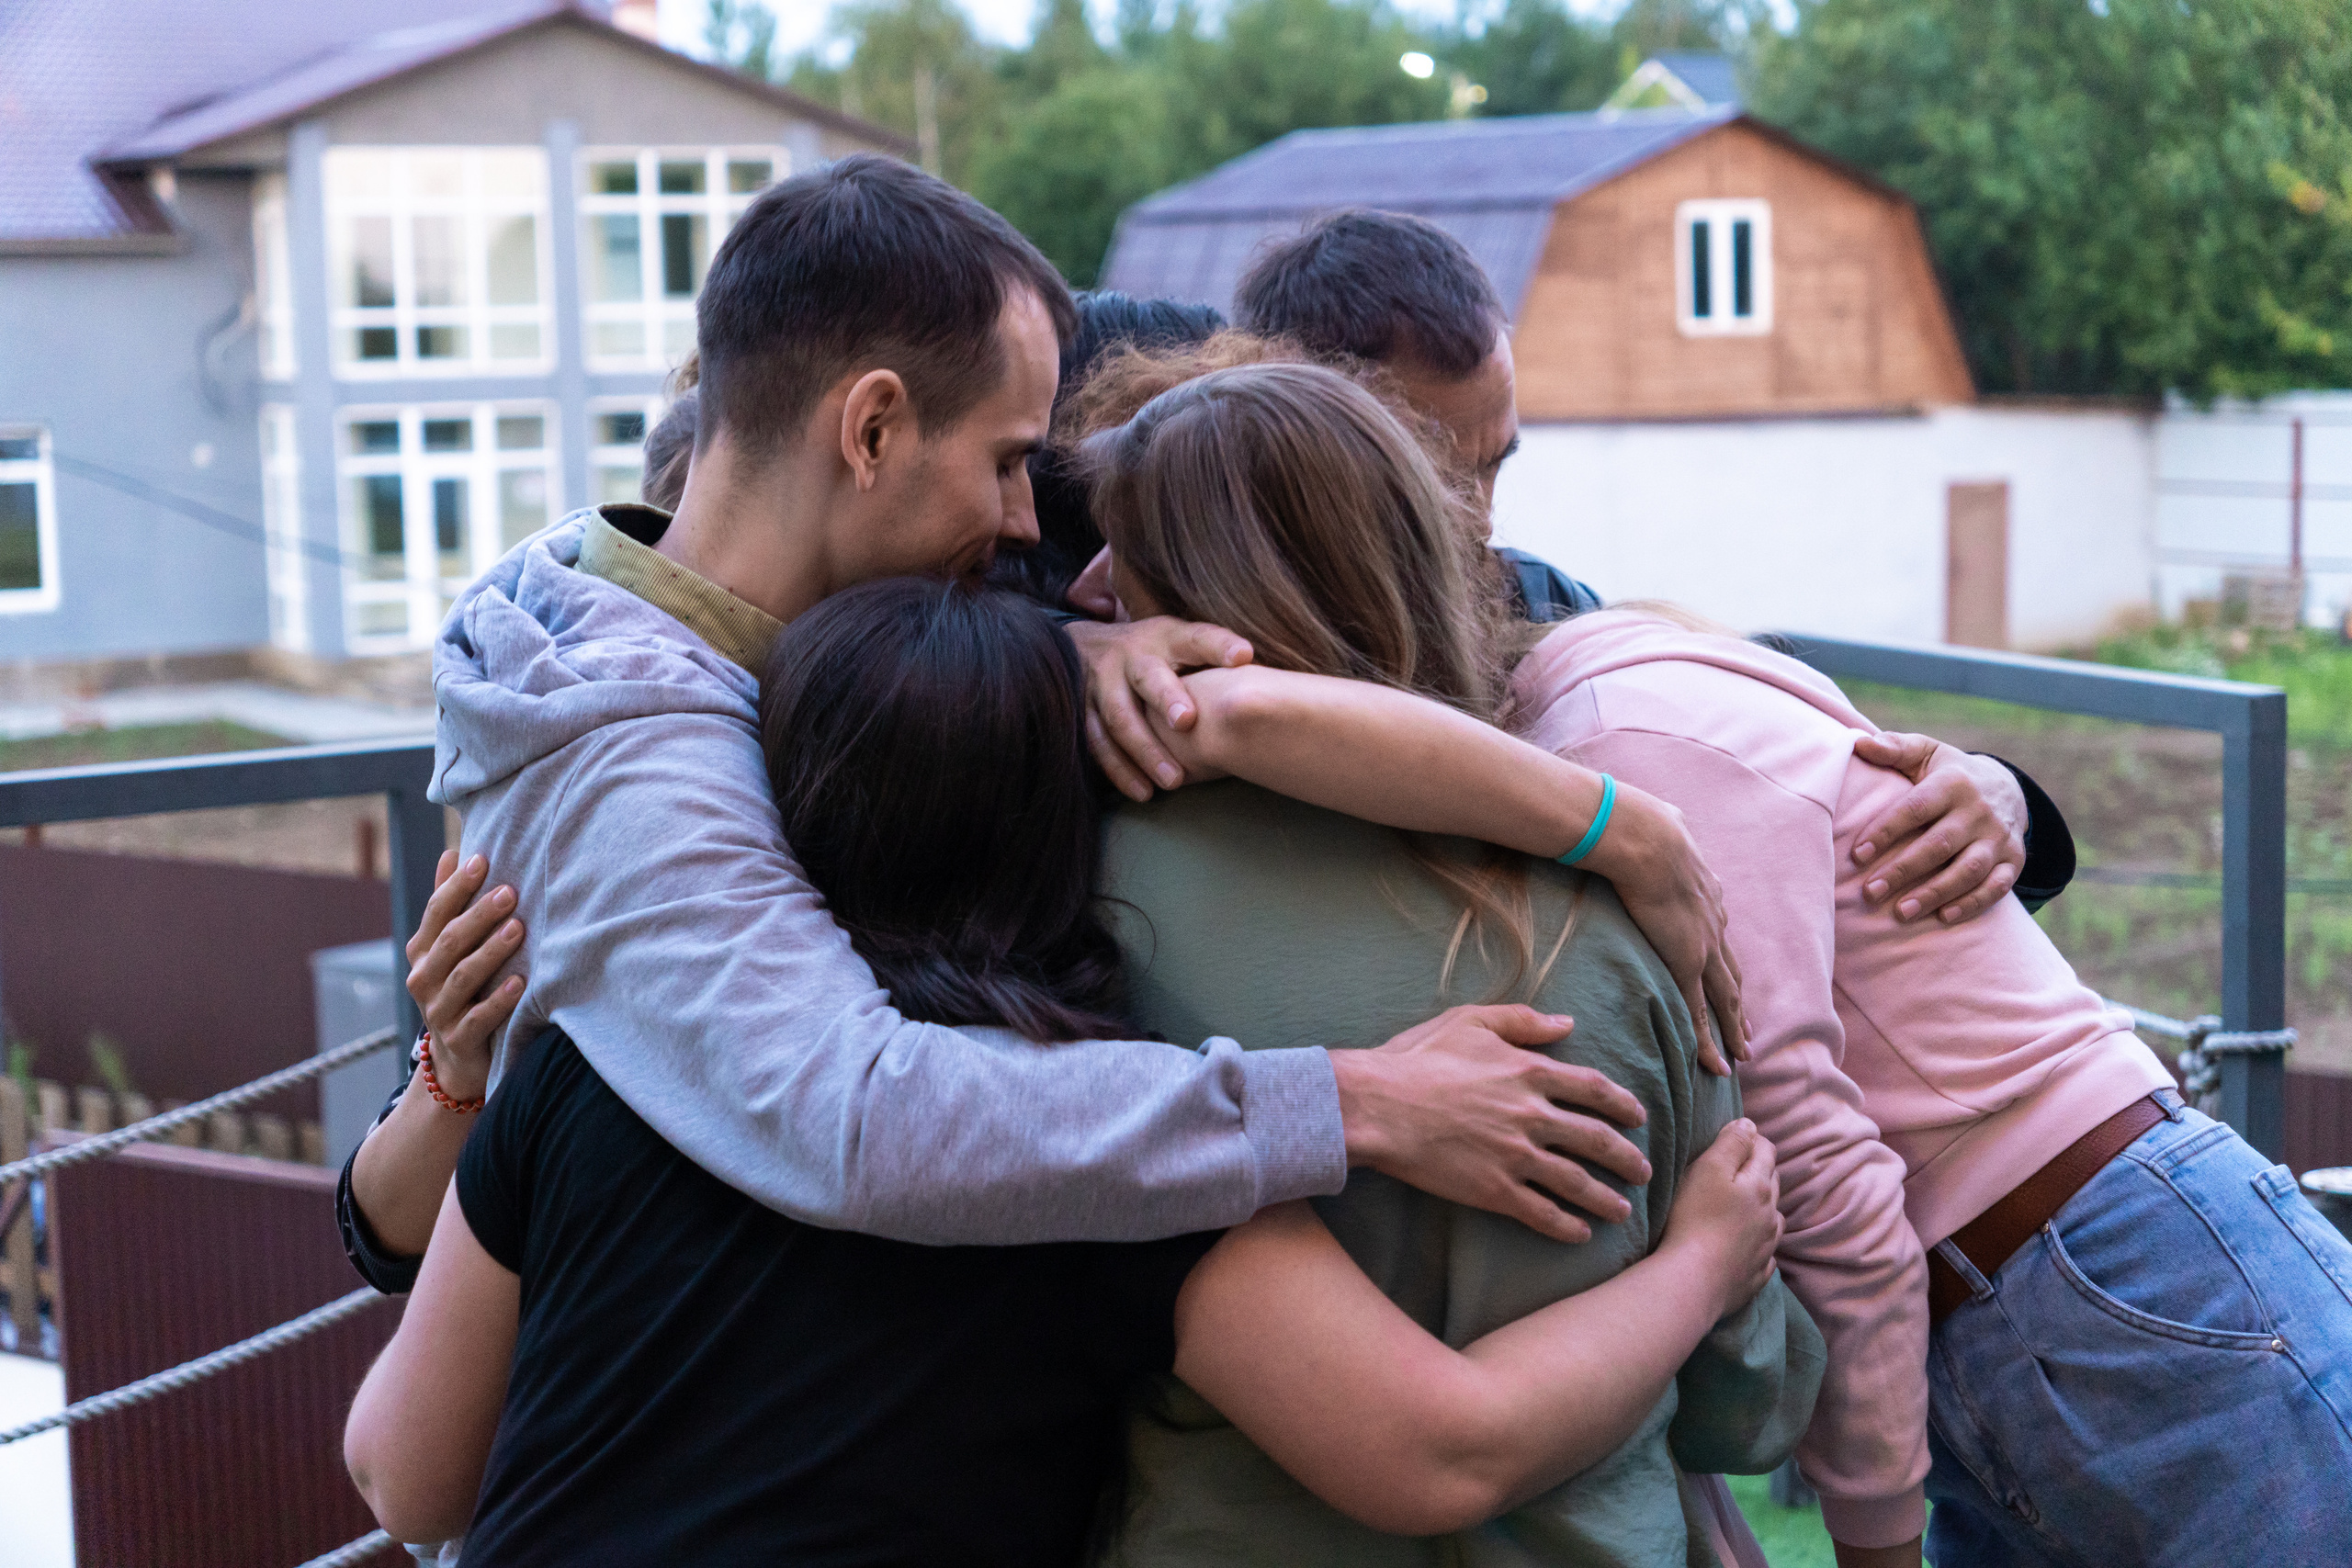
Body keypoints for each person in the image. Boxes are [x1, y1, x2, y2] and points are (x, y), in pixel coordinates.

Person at [343, 156, 1745, 1301]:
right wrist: (1356, 1100)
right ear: (871, 431)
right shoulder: (631, 756)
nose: (1030, 525)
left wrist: (1659, 815)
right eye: (1011, 462)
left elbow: (1338, 644)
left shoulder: (672, 619)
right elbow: (862, 1117)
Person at [1073, 355, 2352, 1568]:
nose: (1086, 596)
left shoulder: (1611, 745)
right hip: (2004, 1306)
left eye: (1128, 577)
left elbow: (1826, 1181)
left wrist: (1871, 1546)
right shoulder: (1544, 775)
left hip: (2107, 1266)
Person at [342, 577, 1793, 1566]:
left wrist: (458, 1082)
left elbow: (403, 1472)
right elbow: (1442, 1451)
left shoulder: (603, 1057)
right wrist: (1703, 1261)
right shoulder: (1104, 1140)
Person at [1071, 211, 2070, 946]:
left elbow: (1778, 768)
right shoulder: (1127, 606)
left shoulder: (1541, 608)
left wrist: (1996, 796)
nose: (1480, 520)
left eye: (1495, 463)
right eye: (1434, 478)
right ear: (1296, 424)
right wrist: (1074, 650)